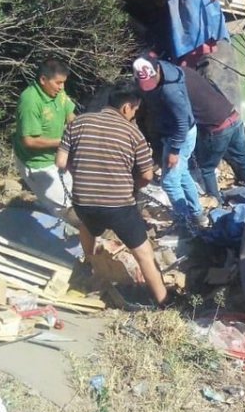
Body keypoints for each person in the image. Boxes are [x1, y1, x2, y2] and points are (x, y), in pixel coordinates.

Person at [56, 84, 167, 305]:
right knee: (144, 253)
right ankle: (164, 301)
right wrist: (132, 186)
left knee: (88, 226)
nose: (134, 115)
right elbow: (146, 175)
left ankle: (90, 266)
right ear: (126, 107)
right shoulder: (133, 133)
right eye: (135, 110)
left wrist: (84, 173)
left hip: (83, 201)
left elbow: (60, 162)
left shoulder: (77, 122)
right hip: (119, 205)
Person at [133, 57, 204, 231]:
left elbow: (182, 122)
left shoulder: (169, 91)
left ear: (157, 71)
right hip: (176, 134)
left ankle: (185, 225)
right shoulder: (164, 70)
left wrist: (174, 150)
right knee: (183, 174)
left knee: (170, 182)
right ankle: (197, 215)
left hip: (180, 136)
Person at [181, 63, 245, 198]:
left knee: (207, 168)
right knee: (243, 157)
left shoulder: (176, 87)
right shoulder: (190, 73)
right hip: (234, 117)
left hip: (218, 128)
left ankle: (215, 202)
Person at [13, 60, 77, 219]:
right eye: (58, 83)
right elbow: (29, 141)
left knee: (75, 196)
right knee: (65, 209)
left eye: (63, 83)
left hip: (58, 157)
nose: (61, 87)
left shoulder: (58, 91)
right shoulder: (30, 101)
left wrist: (78, 132)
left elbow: (70, 115)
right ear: (43, 80)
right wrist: (63, 141)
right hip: (38, 165)